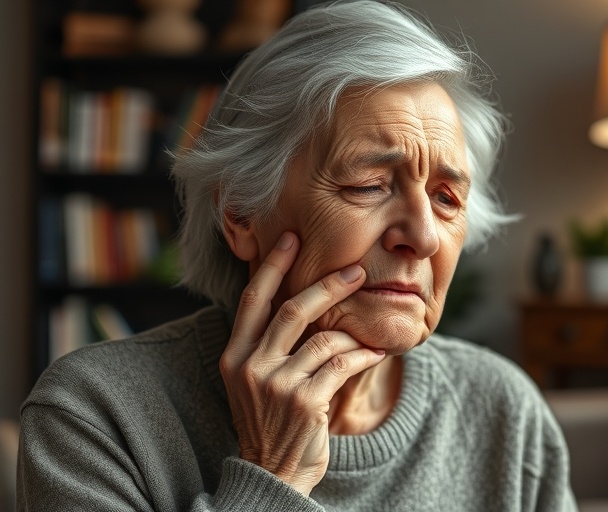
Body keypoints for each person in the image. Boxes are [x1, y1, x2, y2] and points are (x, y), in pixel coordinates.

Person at [17, 1, 577, 510]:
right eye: (369, 185)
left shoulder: (502, 408)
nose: (424, 237)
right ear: (240, 213)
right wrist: (273, 475)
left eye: (446, 199)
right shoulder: (94, 416)